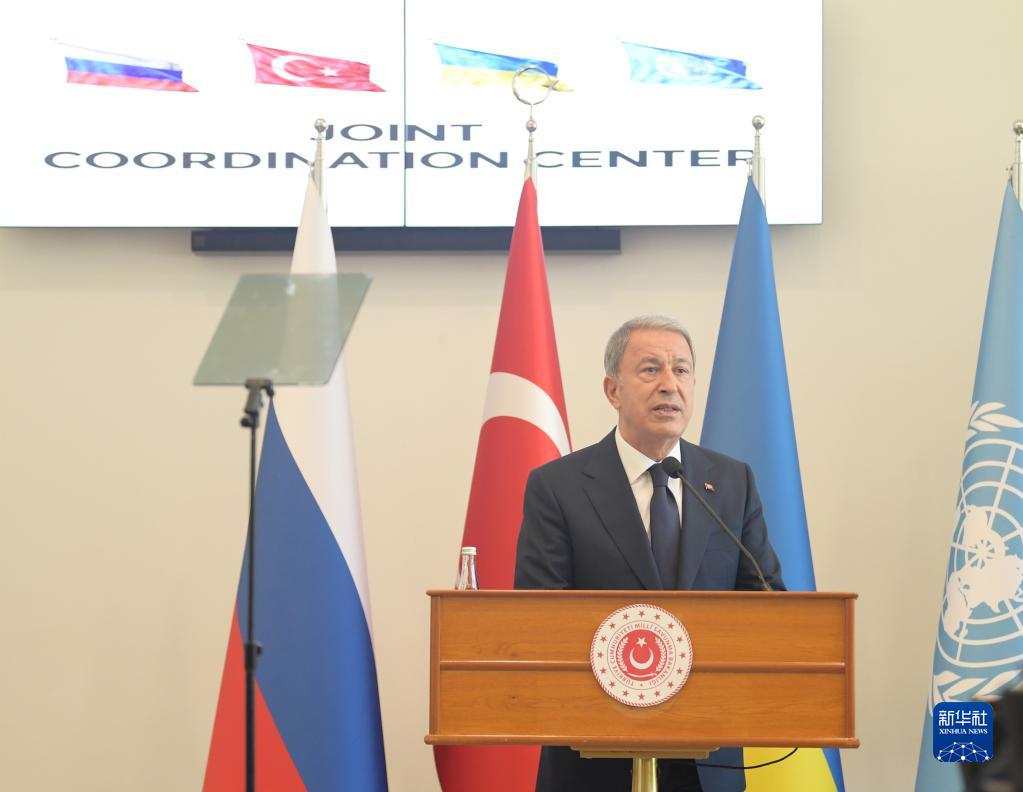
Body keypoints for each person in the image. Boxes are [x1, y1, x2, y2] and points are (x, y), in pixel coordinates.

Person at [514, 315, 785, 792]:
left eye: (681, 370)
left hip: (708, 756)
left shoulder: (731, 482)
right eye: (650, 369)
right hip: (594, 756)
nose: (669, 385)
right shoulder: (558, 487)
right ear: (613, 390)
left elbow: (767, 603)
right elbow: (540, 617)